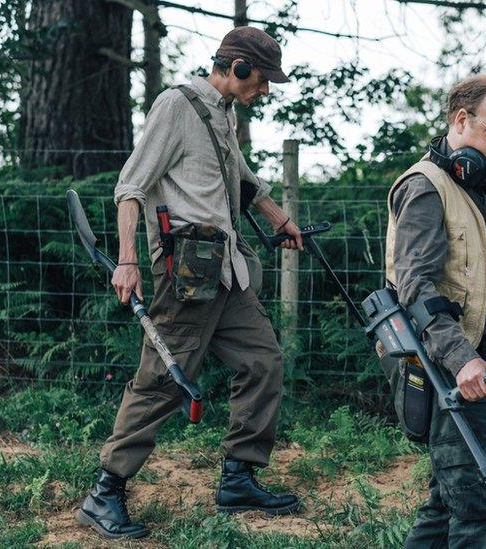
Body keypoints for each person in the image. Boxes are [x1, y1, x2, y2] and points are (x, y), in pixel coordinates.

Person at [76, 26, 302, 540]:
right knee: (162, 379)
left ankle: (239, 478)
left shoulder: (225, 112)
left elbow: (239, 174)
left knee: (262, 361)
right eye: (262, 80)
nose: (264, 90)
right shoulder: (175, 107)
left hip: (228, 269)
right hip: (188, 273)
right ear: (238, 67)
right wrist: (127, 261)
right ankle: (105, 492)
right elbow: (130, 186)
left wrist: (276, 216)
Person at [384, 73, 486, 547]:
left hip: (484, 363)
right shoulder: (426, 188)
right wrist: (462, 358)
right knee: (480, 505)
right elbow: (416, 290)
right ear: (462, 119)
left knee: (449, 500)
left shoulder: (484, 188)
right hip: (448, 365)